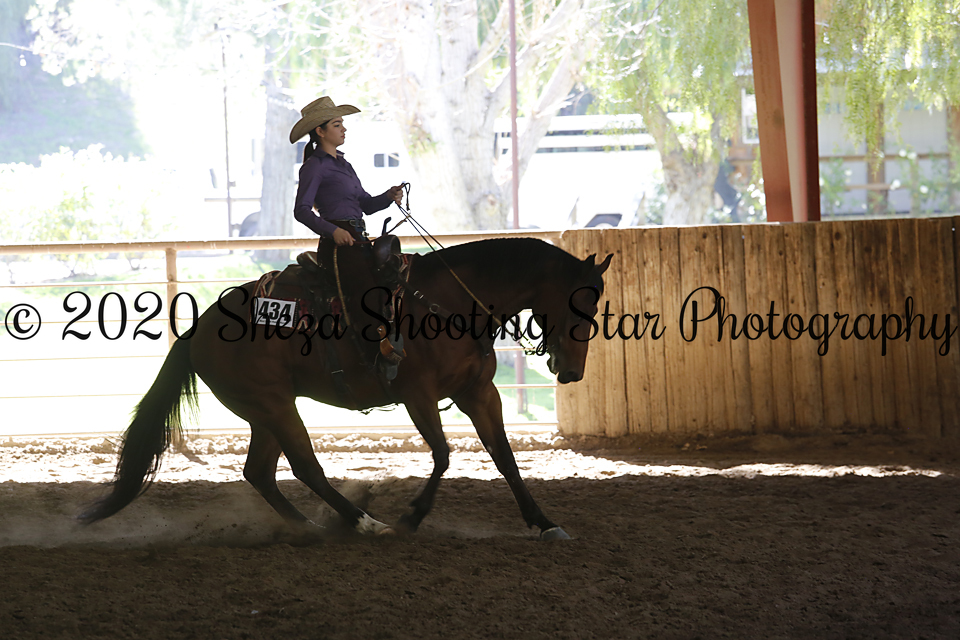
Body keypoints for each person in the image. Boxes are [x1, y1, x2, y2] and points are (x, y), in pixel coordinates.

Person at [289, 96, 403, 246]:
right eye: (337, 125)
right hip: (338, 245)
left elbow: (366, 205)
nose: (344, 129)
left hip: (357, 238)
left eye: (342, 124)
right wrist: (334, 231)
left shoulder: (344, 164)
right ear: (320, 131)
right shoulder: (314, 166)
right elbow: (301, 211)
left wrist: (388, 196)